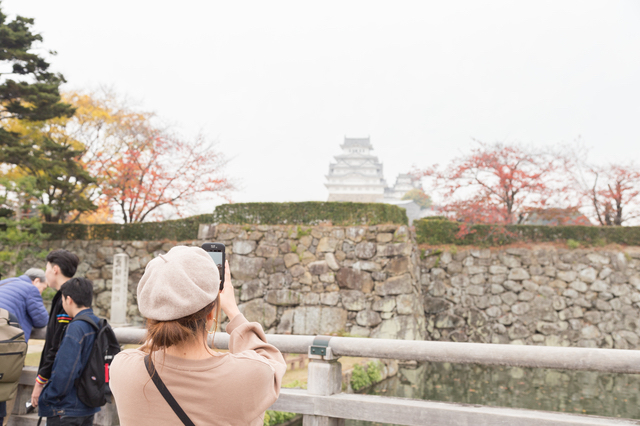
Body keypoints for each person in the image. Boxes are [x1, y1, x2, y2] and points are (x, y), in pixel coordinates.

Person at [110, 246, 287, 426]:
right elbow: (270, 360)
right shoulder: (251, 374)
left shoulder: (122, 368)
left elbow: (151, 346)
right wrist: (232, 310)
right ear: (211, 315)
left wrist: (166, 305)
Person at [37, 277, 101, 425]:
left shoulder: (76, 328)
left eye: (63, 300)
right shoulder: (98, 324)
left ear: (69, 299)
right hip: (88, 404)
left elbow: (65, 370)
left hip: (67, 409)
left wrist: (48, 396)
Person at [31, 250, 80, 409]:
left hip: (60, 381)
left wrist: (40, 381)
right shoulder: (72, 294)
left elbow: (58, 343)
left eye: (47, 269)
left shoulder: (66, 299)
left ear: (55, 269)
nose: (46, 273)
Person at [0, 268, 49, 425]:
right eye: (44, 287)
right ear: (36, 281)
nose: (41, 292)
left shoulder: (4, 282)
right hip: (6, 348)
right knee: (6, 387)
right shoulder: (30, 289)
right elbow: (42, 320)